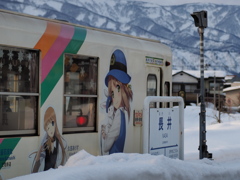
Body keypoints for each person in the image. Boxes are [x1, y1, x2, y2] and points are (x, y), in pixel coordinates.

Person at [101, 49, 133, 154]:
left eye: (117, 88)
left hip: (113, 158)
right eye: (112, 92)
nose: (114, 96)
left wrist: (105, 135)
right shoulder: (116, 111)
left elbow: (107, 145)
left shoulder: (119, 114)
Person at [31, 107, 67, 173]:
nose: (50, 129)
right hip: (46, 175)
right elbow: (35, 170)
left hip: (54, 174)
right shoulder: (45, 144)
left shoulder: (58, 141)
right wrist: (39, 152)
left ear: (55, 123)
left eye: (52, 123)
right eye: (47, 125)